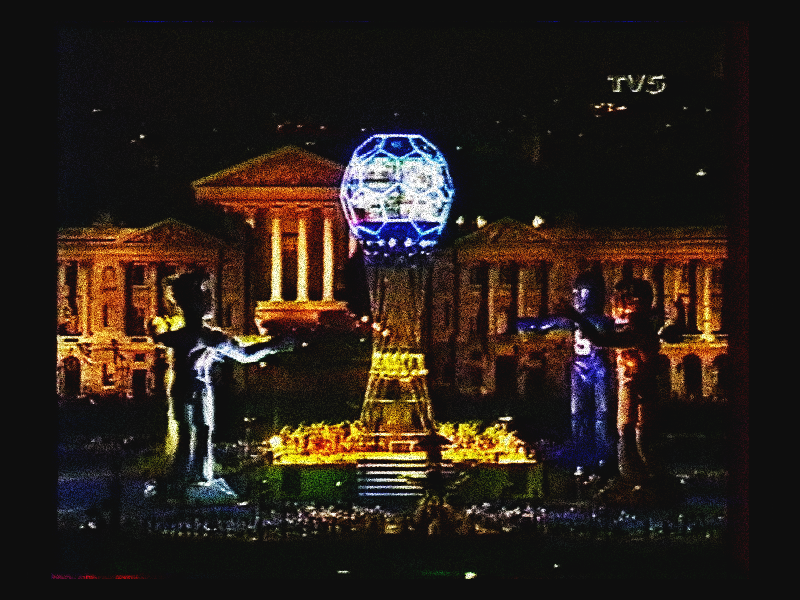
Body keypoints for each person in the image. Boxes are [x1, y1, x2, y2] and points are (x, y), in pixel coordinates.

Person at [147, 271, 296, 500]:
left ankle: (188, 479)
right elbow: (245, 354)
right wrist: (277, 345)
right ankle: (194, 480)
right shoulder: (205, 337)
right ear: (192, 302)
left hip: (188, 388)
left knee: (191, 434)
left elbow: (160, 337)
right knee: (197, 433)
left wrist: (155, 328)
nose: (211, 301)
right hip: (194, 389)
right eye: (205, 295)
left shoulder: (187, 336)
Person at [517, 271, 616, 476]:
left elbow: (607, 331)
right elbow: (547, 323)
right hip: (579, 369)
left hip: (598, 369)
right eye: (575, 293)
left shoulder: (600, 321)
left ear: (594, 295)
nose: (577, 298)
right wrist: (525, 324)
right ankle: (582, 455)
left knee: (601, 414)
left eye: (582, 293)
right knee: (578, 414)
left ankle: (603, 457)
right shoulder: (576, 320)